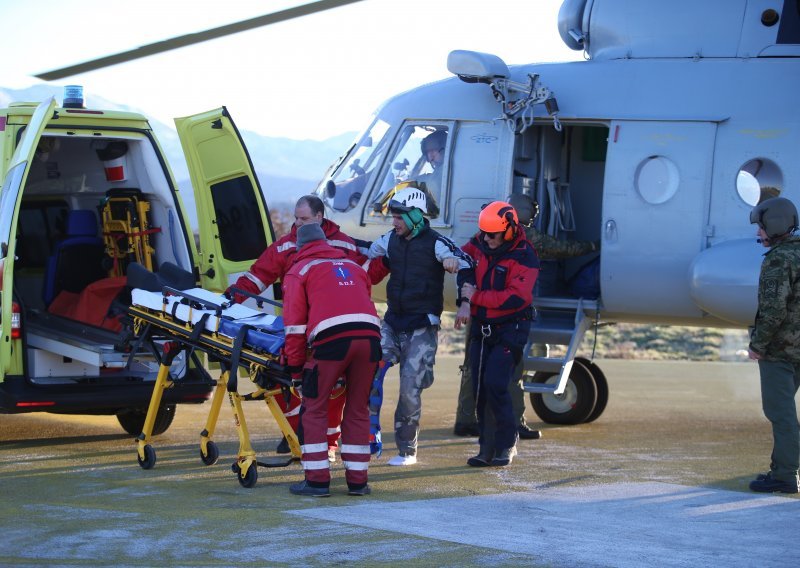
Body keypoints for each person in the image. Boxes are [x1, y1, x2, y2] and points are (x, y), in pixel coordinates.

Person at [228, 194, 366, 460]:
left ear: (319, 217)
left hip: (328, 330)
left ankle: (327, 444)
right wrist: (228, 300)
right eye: (295, 218)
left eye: (303, 219)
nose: (298, 224)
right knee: (286, 380)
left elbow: (363, 277)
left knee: (332, 389)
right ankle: (298, 436)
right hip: (299, 329)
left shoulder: (343, 244)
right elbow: (257, 278)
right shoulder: (285, 246)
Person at [453, 193, 599, 438]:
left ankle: (467, 420)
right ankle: (513, 424)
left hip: (483, 313)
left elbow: (463, 259)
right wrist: (594, 246)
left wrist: (468, 299)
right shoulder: (526, 238)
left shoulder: (482, 237)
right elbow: (564, 249)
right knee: (511, 371)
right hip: (504, 315)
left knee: (473, 369)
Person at [368, 186, 474, 466]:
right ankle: (366, 437)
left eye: (399, 216)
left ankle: (406, 451)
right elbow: (363, 252)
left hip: (421, 328)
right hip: (391, 323)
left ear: (416, 215)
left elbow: (468, 265)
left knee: (409, 390)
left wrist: (465, 302)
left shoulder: (438, 243)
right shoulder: (389, 239)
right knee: (367, 371)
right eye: (393, 216)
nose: (394, 222)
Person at [283, 223, 382, 497]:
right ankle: (358, 482)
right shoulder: (353, 267)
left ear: (299, 247)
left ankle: (316, 481)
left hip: (331, 342)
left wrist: (294, 368)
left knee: (314, 408)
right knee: (358, 409)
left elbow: (294, 327)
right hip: (371, 339)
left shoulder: (299, 270)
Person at [455, 201, 539, 466]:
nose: (487, 239)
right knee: (481, 388)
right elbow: (463, 260)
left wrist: (476, 296)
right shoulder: (480, 242)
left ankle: (507, 443)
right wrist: (465, 298)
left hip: (511, 328)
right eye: (484, 233)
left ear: (510, 230)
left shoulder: (525, 256)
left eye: (493, 234)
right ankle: (486, 449)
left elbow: (515, 298)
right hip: (483, 327)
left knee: (497, 384)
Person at [747, 196, 800, 494]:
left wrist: (758, 344)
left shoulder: (779, 260)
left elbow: (774, 310)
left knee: (781, 415)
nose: (759, 234)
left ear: (775, 226)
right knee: (787, 416)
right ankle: (784, 469)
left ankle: (784, 475)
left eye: (762, 228)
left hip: (780, 351)